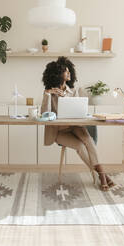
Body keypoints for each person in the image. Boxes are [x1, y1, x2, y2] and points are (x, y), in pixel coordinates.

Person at [41, 56, 114, 191]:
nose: (69, 73)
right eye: (66, 71)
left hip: (74, 127)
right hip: (59, 131)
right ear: (58, 74)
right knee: (80, 146)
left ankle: (102, 175)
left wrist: (64, 98)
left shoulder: (74, 91)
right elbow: (44, 115)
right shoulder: (49, 92)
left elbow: (77, 112)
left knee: (87, 139)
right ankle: (102, 175)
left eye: (69, 71)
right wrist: (47, 95)